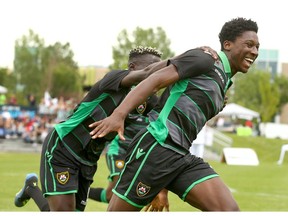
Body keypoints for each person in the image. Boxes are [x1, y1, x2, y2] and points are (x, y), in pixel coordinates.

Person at [15, 46, 219, 212]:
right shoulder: (114, 79)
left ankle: (32, 190)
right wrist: (188, 56)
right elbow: (149, 74)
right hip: (64, 146)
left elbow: (164, 126)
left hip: (88, 160)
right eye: (152, 65)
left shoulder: (148, 101)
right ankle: (32, 189)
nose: (157, 70)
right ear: (132, 67)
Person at [89, 17, 259, 211]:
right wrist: (118, 114)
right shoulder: (206, 59)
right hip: (157, 146)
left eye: (257, 47)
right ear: (227, 44)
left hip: (180, 155)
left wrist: (162, 188)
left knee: (228, 210)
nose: (254, 52)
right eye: (249, 45)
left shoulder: (223, 84)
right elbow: (155, 79)